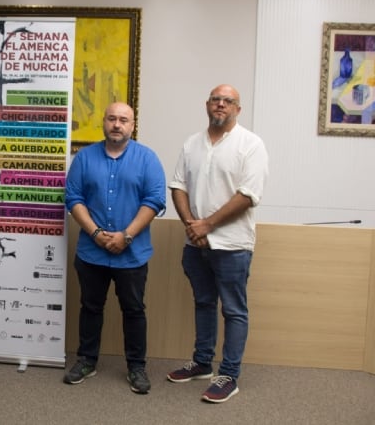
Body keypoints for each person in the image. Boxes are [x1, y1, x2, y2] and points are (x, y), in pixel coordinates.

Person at [166, 84, 269, 403]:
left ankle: (229, 375)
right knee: (203, 302)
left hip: (233, 246)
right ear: (207, 105)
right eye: (215, 99)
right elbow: (178, 186)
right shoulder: (192, 144)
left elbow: (248, 195)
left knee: (235, 311)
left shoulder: (251, 145)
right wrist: (191, 226)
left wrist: (207, 224)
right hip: (195, 244)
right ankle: (201, 363)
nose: (220, 104)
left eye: (228, 101)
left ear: (238, 109)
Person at [63, 102, 166, 394]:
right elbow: (73, 198)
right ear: (104, 123)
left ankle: (136, 366)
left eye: (123, 120)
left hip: (132, 254)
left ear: (132, 125)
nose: (117, 124)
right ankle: (87, 360)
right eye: (112, 119)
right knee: (91, 307)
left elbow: (155, 200)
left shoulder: (148, 159)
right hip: (91, 251)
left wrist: (127, 236)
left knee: (133, 310)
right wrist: (95, 233)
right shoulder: (84, 158)